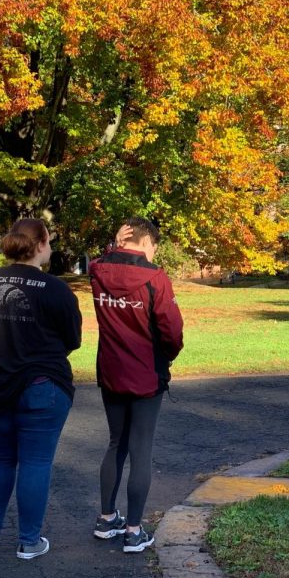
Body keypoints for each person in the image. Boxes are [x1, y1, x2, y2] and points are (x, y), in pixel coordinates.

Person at [0, 219, 82, 559]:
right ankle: (29, 541)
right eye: (50, 241)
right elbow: (72, 340)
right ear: (41, 243)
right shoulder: (56, 289)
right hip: (40, 386)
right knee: (35, 462)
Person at [90, 217, 183, 554]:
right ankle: (133, 530)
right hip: (145, 373)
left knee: (116, 443)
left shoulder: (98, 271)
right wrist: (167, 355)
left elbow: (100, 261)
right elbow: (172, 332)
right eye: (154, 246)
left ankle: (106, 518)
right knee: (141, 449)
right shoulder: (155, 277)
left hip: (111, 371)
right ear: (147, 243)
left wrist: (113, 246)